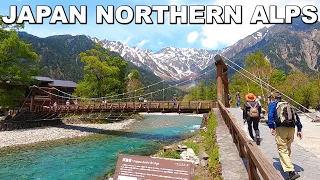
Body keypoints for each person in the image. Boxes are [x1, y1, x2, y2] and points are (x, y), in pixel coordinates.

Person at [268, 92, 303, 180]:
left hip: (281, 128)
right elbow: (297, 118)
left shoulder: (273, 104)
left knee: (282, 149)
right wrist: (299, 129)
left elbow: (270, 116)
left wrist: (271, 127)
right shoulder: (288, 104)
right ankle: (287, 164)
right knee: (287, 148)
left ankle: (291, 171)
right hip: (291, 129)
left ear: (273, 97)